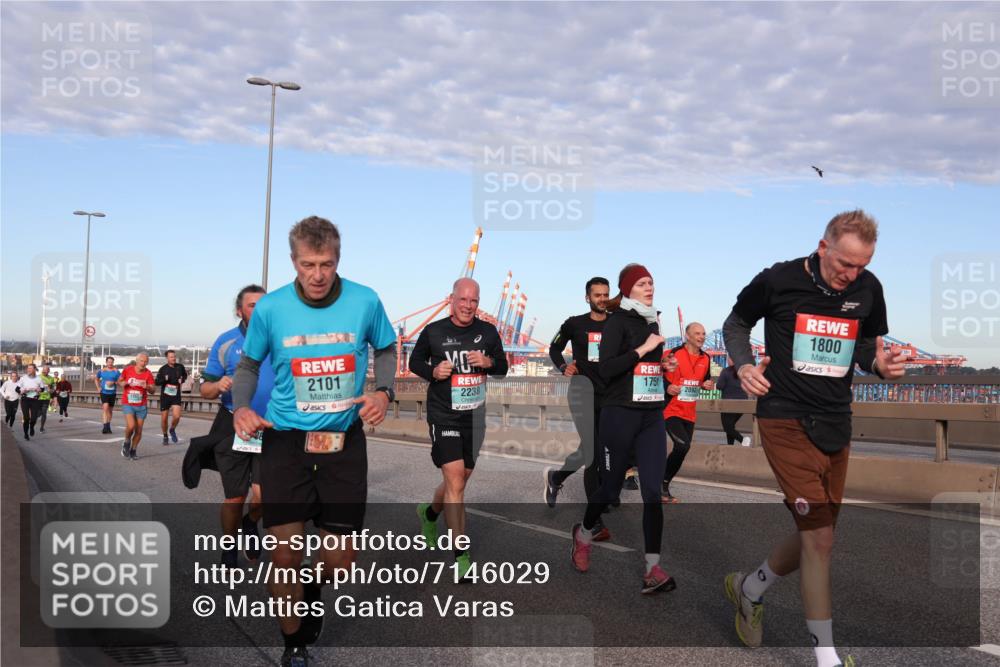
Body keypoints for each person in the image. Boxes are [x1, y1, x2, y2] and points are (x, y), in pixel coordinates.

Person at [722, 210, 905, 667]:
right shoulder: (778, 280)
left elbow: (866, 346)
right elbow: (735, 324)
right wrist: (744, 365)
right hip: (783, 419)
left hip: (835, 421)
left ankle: (750, 588)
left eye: (861, 266)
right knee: (819, 539)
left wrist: (879, 366)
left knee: (818, 535)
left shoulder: (869, 289)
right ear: (822, 247)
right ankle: (827, 658)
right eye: (844, 263)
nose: (851, 274)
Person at [232, 216, 397, 667]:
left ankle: (313, 587)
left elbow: (385, 347)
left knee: (341, 561)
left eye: (326, 263)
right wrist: (243, 407)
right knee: (283, 554)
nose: (318, 274)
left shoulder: (365, 301)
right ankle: (294, 645)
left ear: (338, 259)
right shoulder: (271, 309)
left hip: (343, 441)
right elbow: (247, 366)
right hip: (285, 442)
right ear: (294, 262)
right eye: (308, 264)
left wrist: (384, 390)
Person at [569, 263, 678, 594]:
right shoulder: (616, 323)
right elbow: (606, 369)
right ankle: (584, 534)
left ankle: (652, 569)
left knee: (652, 494)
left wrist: (662, 365)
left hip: (651, 414)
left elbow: (644, 367)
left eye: (652, 282)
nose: (650, 287)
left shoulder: (652, 321)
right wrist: (644, 350)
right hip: (619, 413)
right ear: (628, 288)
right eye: (643, 283)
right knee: (610, 487)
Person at [410, 277, 509, 580]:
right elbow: (415, 361)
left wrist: (488, 361)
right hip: (444, 416)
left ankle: (429, 512)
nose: (468, 306)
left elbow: (503, 368)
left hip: (474, 418)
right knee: (454, 481)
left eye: (474, 301)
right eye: (463, 300)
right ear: (452, 299)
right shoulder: (435, 331)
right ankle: (461, 555)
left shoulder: (488, 332)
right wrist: (433, 371)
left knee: (460, 481)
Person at [198, 284, 275, 568]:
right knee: (235, 496)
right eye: (253, 305)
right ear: (239, 310)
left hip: (272, 427)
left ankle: (250, 522)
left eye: (264, 305)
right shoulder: (227, 342)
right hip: (235, 425)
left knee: (266, 496)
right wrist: (217, 385)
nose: (259, 310)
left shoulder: (281, 339)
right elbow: (204, 388)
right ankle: (229, 545)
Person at [543, 277, 610, 537]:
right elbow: (554, 348)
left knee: (595, 448)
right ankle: (593, 522)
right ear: (588, 298)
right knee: (592, 451)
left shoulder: (617, 323)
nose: (602, 299)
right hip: (582, 392)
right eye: (597, 295)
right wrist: (563, 367)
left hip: (609, 395)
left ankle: (557, 478)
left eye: (605, 294)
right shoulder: (575, 324)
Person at [660, 322, 714, 503]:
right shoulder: (672, 354)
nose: (702, 337)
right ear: (687, 336)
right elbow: (654, 376)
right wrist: (667, 387)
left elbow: (705, 380)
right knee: (682, 446)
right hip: (670, 409)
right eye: (697, 333)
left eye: (704, 333)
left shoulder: (706, 358)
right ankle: (662, 485)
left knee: (682, 450)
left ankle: (661, 484)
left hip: (689, 411)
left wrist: (707, 385)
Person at [119, 353, 157, 460]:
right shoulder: (128, 370)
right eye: (141, 361)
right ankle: (126, 441)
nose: (143, 363)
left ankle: (133, 450)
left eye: (145, 361)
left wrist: (147, 387)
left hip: (141, 405)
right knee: (131, 426)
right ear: (137, 361)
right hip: (128, 403)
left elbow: (153, 390)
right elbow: (120, 381)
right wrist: (126, 383)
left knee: (139, 431)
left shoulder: (148, 374)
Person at [156, 350, 188, 444]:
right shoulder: (163, 369)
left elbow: (185, 376)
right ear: (167, 358)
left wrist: (182, 380)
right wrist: (164, 380)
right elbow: (157, 382)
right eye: (171, 357)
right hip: (165, 396)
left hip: (176, 395)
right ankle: (165, 435)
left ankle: (172, 429)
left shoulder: (180, 367)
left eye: (174, 356)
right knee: (164, 418)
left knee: (177, 416)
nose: (173, 358)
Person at [716, 358, 750, 445]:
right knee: (730, 426)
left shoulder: (726, 371)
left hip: (728, 404)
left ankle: (743, 440)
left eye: (729, 357)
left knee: (727, 427)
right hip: (743, 404)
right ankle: (730, 446)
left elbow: (719, 386)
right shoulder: (745, 372)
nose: (728, 359)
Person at [17, 364, 46, 440]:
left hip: (35, 399)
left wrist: (38, 390)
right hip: (25, 399)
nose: (28, 370)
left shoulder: (39, 379)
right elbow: (17, 389)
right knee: (26, 418)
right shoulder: (23, 378)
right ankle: (26, 434)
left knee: (33, 418)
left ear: (34, 370)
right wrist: (22, 391)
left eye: (30, 368)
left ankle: (32, 426)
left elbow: (42, 389)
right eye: (28, 368)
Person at [95, 357, 121, 434]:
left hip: (112, 393)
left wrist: (113, 382)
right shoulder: (102, 371)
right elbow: (96, 379)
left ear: (113, 363)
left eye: (111, 362)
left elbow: (121, 381)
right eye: (108, 362)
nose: (110, 363)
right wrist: (98, 387)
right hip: (104, 392)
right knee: (105, 408)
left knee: (110, 410)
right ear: (106, 363)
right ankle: (105, 426)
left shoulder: (116, 372)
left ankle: (108, 426)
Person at [37, 364, 56, 432]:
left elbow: (53, 387)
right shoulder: (38, 377)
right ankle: (35, 417)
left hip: (46, 398)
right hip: (38, 398)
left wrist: (52, 391)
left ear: (48, 371)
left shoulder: (51, 378)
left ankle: (42, 428)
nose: (44, 371)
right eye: (43, 370)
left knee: (44, 413)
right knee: (38, 413)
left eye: (46, 370)